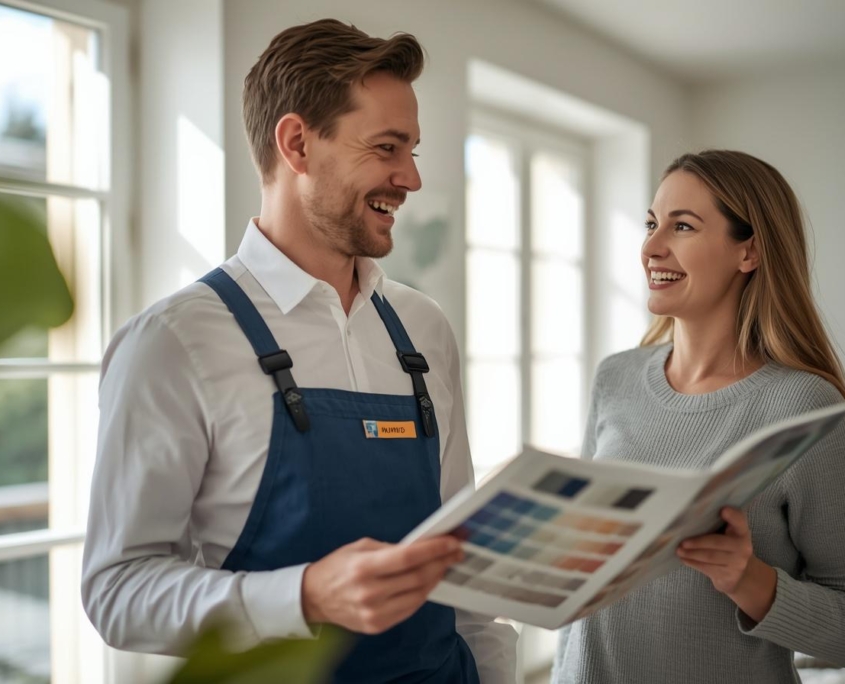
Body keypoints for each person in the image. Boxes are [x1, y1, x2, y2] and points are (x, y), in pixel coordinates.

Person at [81, 19, 517, 683]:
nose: (410, 178)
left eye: (413, 151)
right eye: (386, 147)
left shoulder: (422, 330)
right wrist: (304, 596)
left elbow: (458, 573)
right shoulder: (175, 341)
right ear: (296, 144)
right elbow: (118, 592)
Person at [552, 150, 845, 683]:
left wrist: (749, 580)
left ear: (749, 252)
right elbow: (583, 585)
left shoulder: (805, 406)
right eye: (650, 223)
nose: (650, 248)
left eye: (682, 226)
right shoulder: (615, 378)